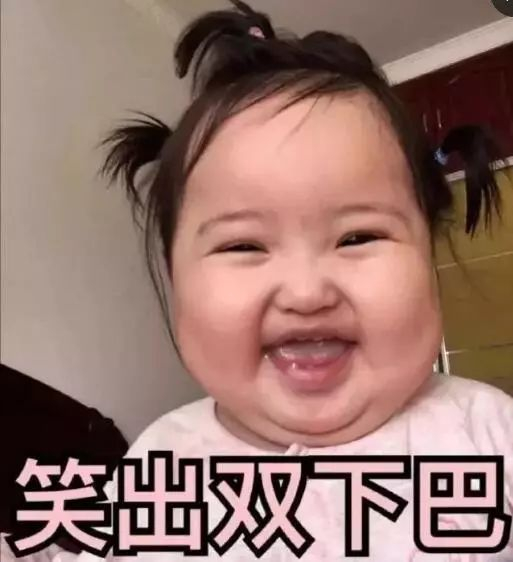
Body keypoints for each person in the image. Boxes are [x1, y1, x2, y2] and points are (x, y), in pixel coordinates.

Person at [6, 1, 513, 560]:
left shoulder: (487, 434)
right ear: (176, 281)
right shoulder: (162, 464)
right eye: (243, 245)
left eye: (357, 237)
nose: (306, 292)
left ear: (428, 253)